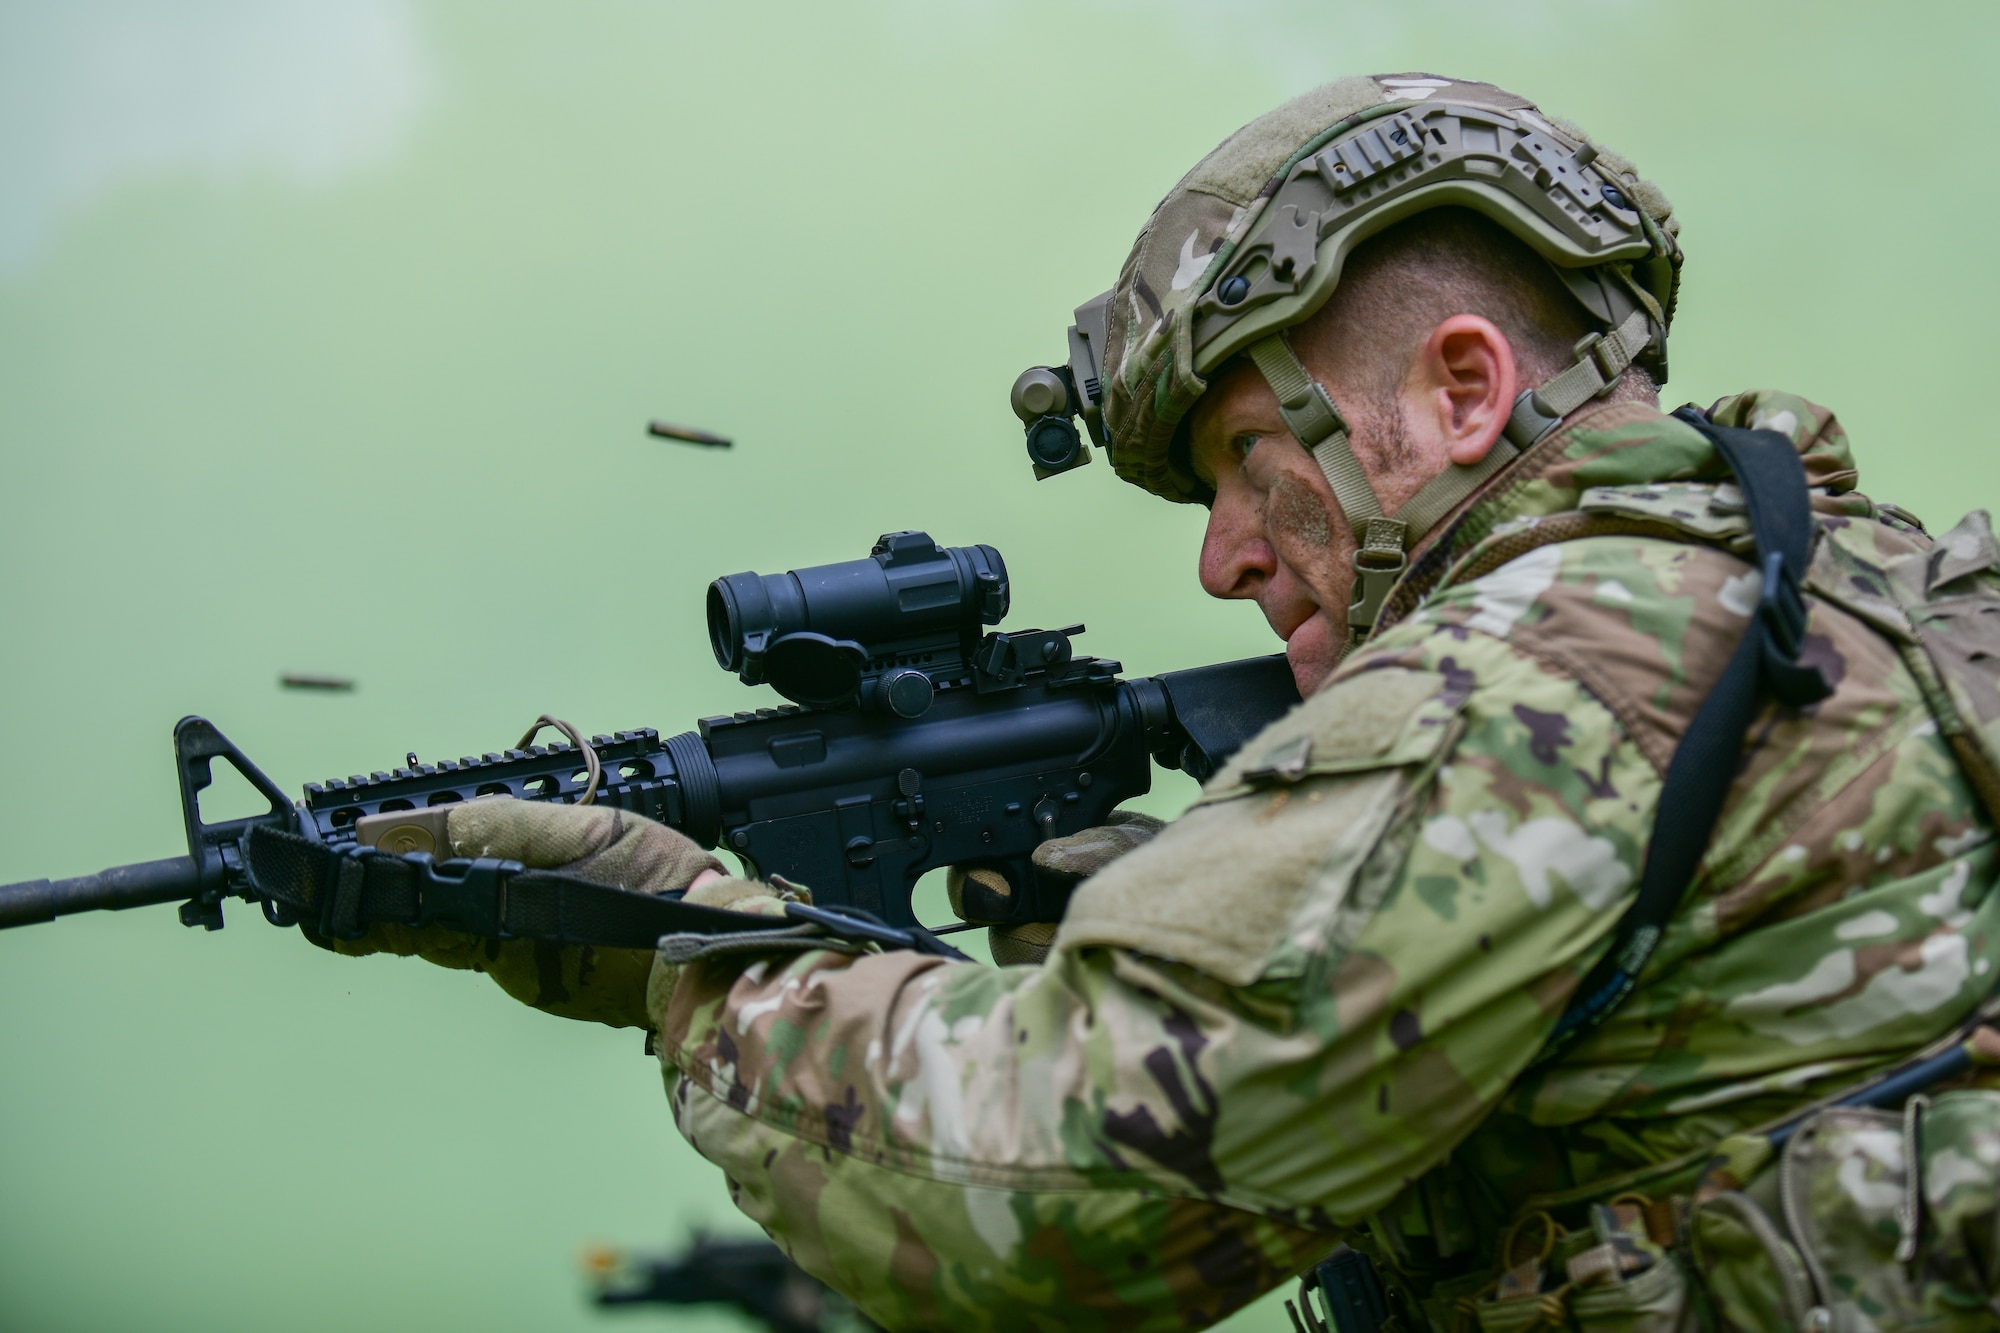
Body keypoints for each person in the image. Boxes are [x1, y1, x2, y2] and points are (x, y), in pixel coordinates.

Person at [337, 75, 2000, 1330]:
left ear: (1464, 388)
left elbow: (1051, 1199)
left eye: (1243, 464)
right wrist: (1169, 915)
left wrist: (682, 945)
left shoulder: (1533, 674)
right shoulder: (1841, 575)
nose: (1220, 560)